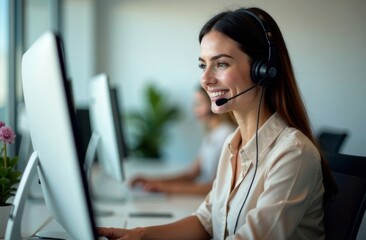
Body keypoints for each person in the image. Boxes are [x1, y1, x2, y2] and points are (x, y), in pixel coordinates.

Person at [98, 7, 336, 239]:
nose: (205, 79)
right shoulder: (233, 144)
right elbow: (207, 220)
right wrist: (139, 234)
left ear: (262, 70)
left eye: (221, 64)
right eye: (203, 65)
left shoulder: (293, 154)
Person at [130, 86, 236, 195]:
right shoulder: (212, 134)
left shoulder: (227, 134)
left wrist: (164, 188)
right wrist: (153, 181)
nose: (194, 109)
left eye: (198, 103)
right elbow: (191, 174)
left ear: (213, 103)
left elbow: (218, 187)